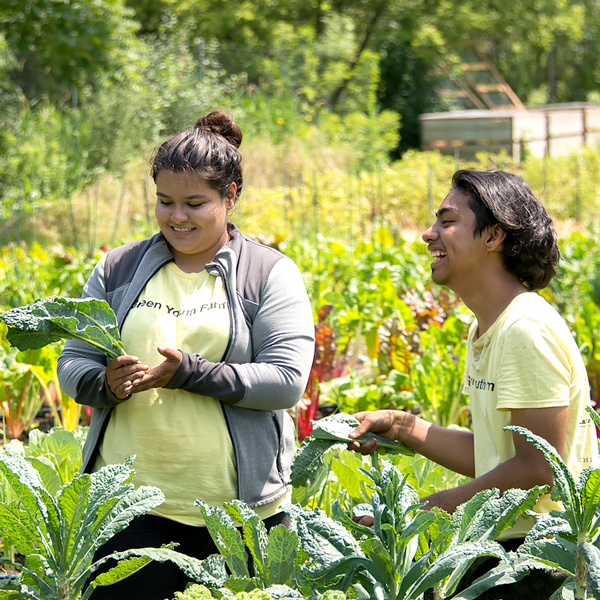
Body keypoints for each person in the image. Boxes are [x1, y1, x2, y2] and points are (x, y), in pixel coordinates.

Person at [57, 110, 315, 600]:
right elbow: (72, 362)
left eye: (195, 203)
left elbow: (286, 381)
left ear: (230, 196)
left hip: (237, 517)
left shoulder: (268, 273)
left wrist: (192, 374)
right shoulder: (118, 268)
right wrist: (103, 383)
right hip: (127, 510)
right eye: (165, 202)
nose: (177, 217)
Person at [348, 169, 599, 598]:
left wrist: (421, 510)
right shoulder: (489, 327)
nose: (429, 234)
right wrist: (403, 426)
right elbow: (494, 455)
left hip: (541, 562)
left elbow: (538, 469)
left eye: (447, 222)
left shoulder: (525, 330)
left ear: (493, 236)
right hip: (505, 548)